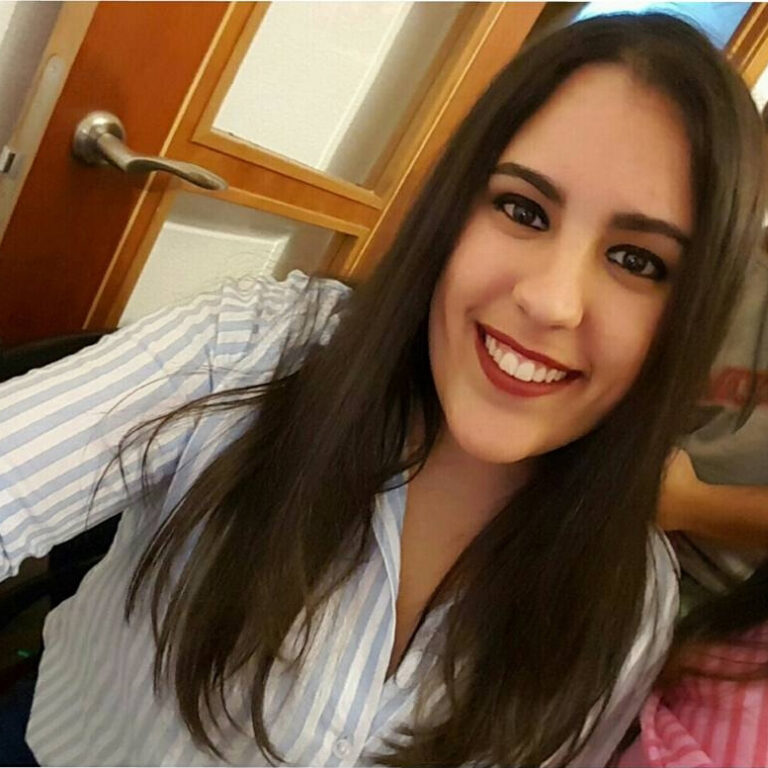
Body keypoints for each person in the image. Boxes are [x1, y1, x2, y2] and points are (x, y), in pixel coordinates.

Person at [0, 12, 765, 767]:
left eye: (637, 261)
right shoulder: (254, 351)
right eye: (522, 210)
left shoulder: (626, 600)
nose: (550, 300)